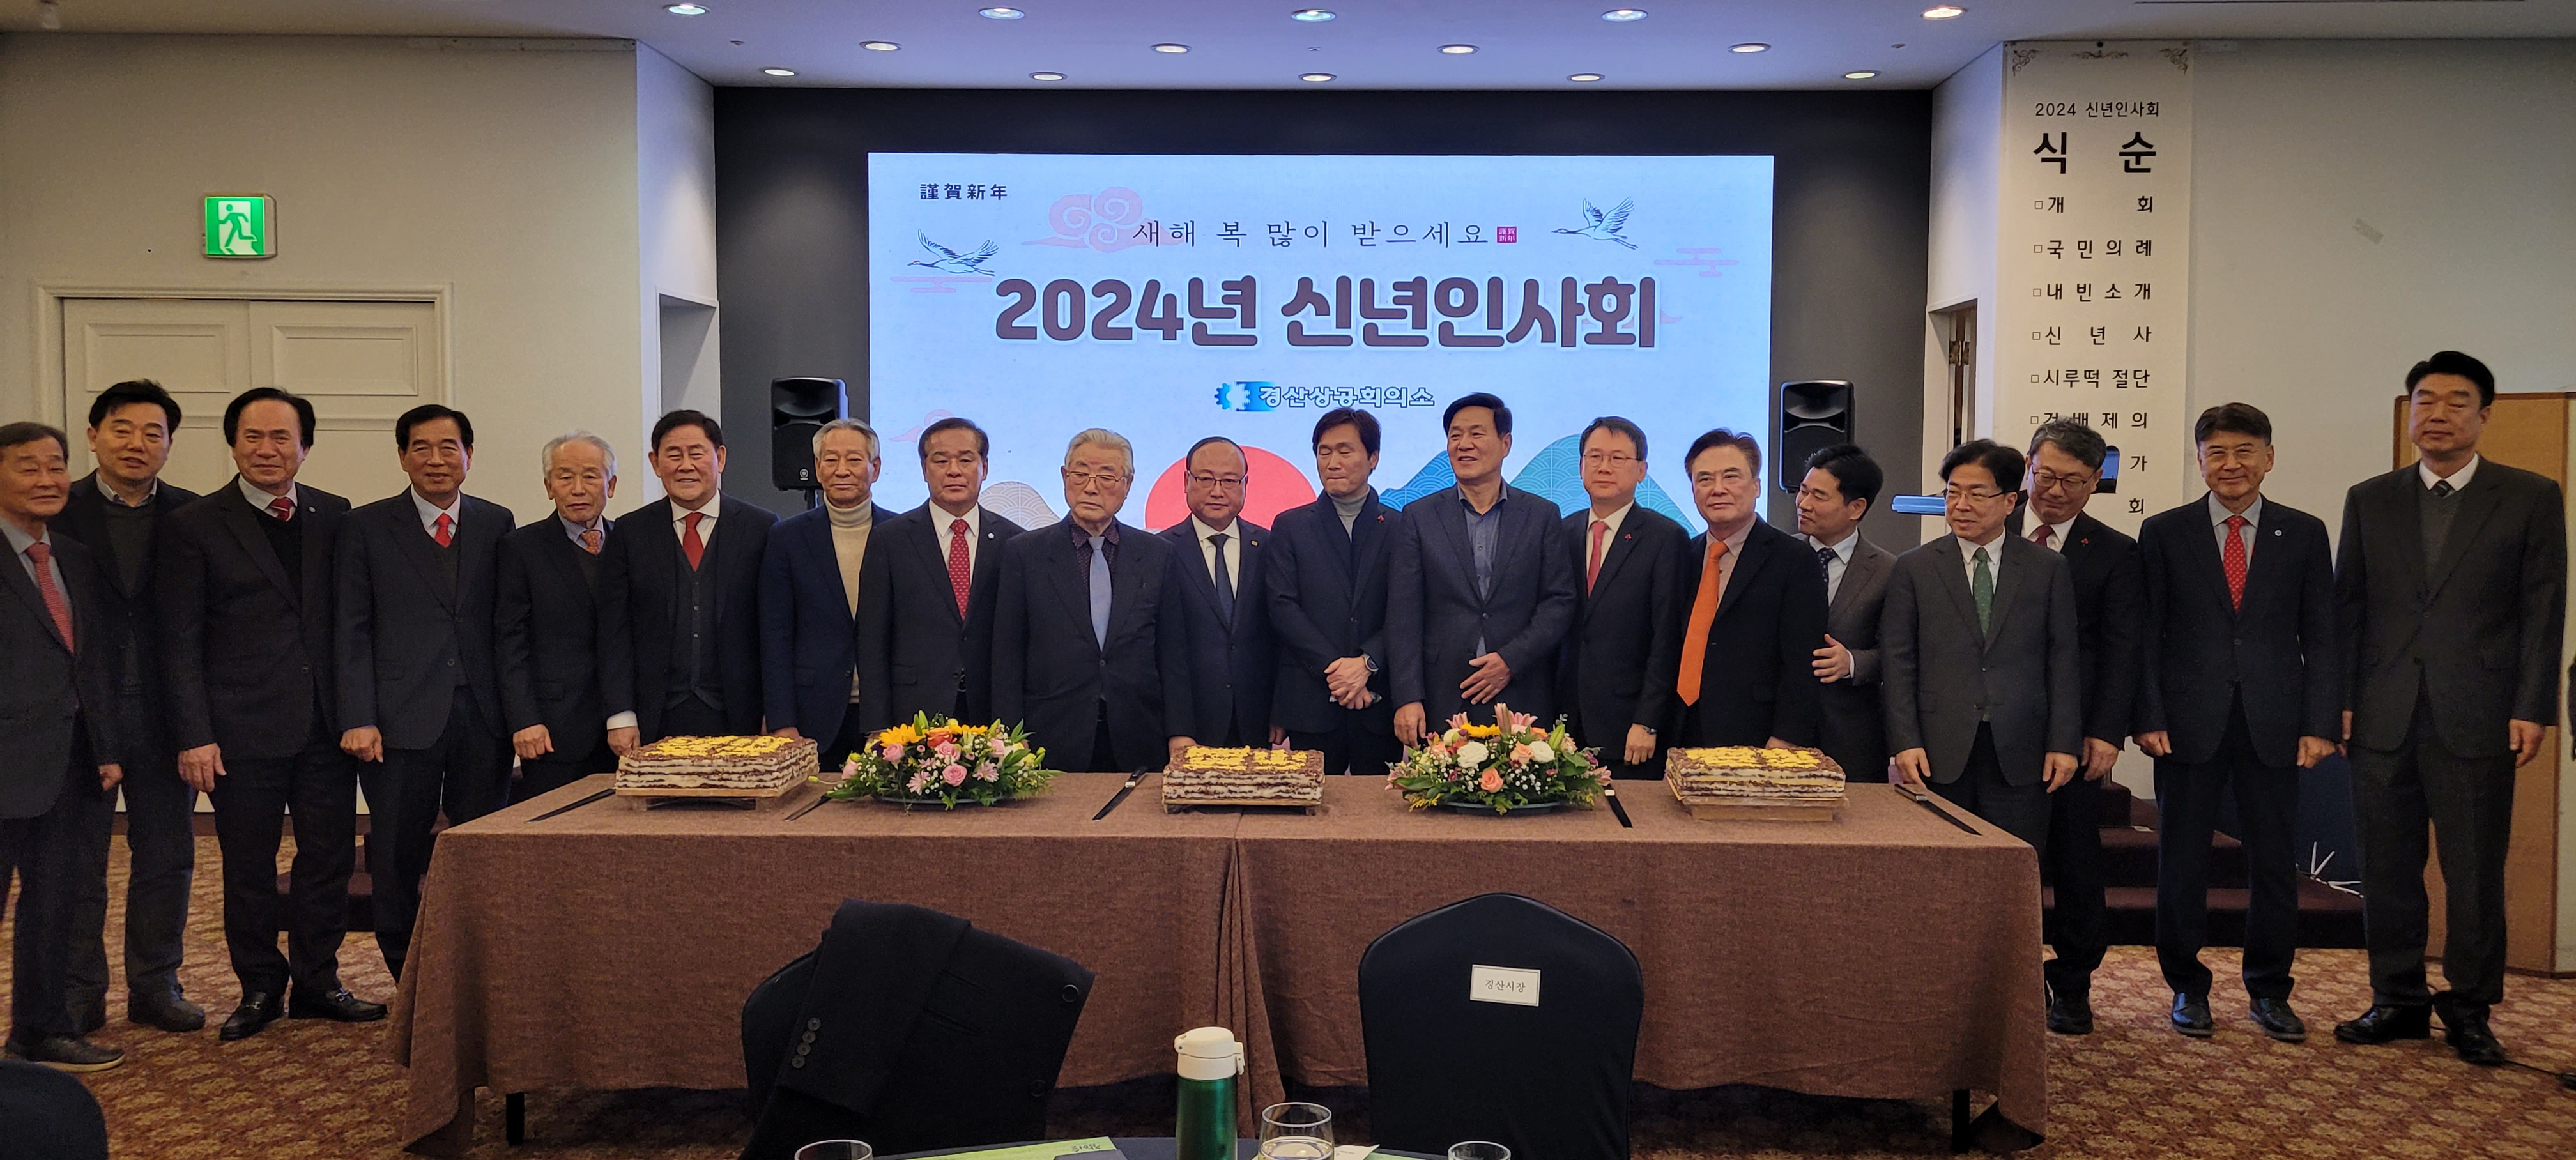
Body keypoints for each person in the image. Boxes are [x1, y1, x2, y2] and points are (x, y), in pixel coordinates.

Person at [2334, 351, 2565, 1067]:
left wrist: (2533, 706)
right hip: (2383, 714)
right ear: (2410, 413)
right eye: (2424, 401)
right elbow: (2349, 609)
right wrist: (2340, 700)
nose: (2437, 414)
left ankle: (2470, 1008)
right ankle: (2397, 998)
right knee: (2387, 869)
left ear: (2484, 415)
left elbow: (2543, 610)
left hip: (2481, 713)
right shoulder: (2370, 498)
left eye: (2456, 402)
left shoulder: (2530, 495)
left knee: (2474, 873)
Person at [159, 388, 383, 1041]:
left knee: (328, 860)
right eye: (253, 436)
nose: (266, 449)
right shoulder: (195, 525)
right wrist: (195, 734)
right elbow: (178, 640)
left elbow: (350, 622)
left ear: (304, 447)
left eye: (281, 437)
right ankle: (259, 986)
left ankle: (319, 981)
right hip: (240, 730)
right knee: (250, 867)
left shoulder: (335, 514)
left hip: (325, 728)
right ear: (232, 444)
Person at [2136, 403, 2339, 1044]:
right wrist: (2148, 715)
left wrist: (2320, 723)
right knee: (2182, 863)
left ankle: (2270, 991)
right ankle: (2187, 987)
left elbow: (2322, 637)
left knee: (2275, 865)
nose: (2232, 464)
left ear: (2269, 458)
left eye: (2245, 451)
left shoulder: (2303, 532)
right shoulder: (2164, 532)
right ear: (2199, 461)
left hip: (2274, 723)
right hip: (2186, 724)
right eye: (2217, 452)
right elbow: (2147, 635)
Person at [335, 405, 514, 983]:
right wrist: (358, 715)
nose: (436, 460)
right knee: (395, 854)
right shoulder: (365, 526)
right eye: (421, 448)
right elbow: (351, 628)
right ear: (402, 456)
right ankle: (406, 978)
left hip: (482, 717)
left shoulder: (497, 522)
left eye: (448, 447)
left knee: (482, 849)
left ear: (469, 455)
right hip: (398, 719)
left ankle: (479, 972)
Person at [54, 381, 204, 1035]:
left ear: (170, 444)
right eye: (122, 429)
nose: (136, 443)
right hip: (79, 715)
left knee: (167, 857)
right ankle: (79, 992)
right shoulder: (57, 510)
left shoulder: (193, 516)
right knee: (78, 862)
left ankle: (156, 984)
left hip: (168, 713)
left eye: (153, 433)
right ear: (93, 436)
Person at [1880, 439, 2082, 851]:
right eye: (1952, 493)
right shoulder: (1915, 567)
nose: (1961, 505)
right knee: (1939, 865)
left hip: (2021, 746)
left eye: (1976, 494)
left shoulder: (2047, 567)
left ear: (2009, 501)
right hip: (1937, 746)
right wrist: (1904, 741)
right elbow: (1898, 662)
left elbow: (2062, 660)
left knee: (2013, 864)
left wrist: (2063, 743)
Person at [0, 422, 126, 1071]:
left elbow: (90, 663)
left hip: (67, 763)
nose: (48, 480)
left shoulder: (72, 556)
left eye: (56, 467)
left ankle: (39, 1031)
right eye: (29, 467)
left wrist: (105, 747)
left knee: (54, 904)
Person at [2011, 419, 2142, 1037]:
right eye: (2046, 475)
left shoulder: (2115, 552)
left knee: (2076, 861)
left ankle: (2072, 982)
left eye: (2073, 480)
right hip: (1996, 728)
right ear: (2028, 467)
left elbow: (2121, 649)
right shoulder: (1989, 529)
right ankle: (2004, 978)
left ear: (2095, 483)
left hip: (2075, 734)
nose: (2055, 491)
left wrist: (2107, 732)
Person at [990, 429, 1193, 772]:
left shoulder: (1157, 554)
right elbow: (1007, 653)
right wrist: (1010, 732)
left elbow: (1173, 653)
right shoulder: (1025, 553)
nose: (1091, 487)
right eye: (1080, 474)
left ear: (1127, 485)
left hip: (1139, 732)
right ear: (1064, 477)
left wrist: (1181, 732)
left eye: (1106, 476)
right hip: (1050, 733)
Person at [1388, 393, 1577, 742]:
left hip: (1521, 689)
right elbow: (1403, 614)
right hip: (1443, 693)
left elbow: (1559, 601)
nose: (1464, 445)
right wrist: (1408, 696)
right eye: (1455, 435)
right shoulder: (1419, 517)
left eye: (1476, 434)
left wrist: (1510, 660)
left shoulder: (1542, 515)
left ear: (1506, 444)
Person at [598, 409, 778, 748]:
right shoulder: (630, 532)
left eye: (696, 453)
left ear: (720, 458)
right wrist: (620, 716)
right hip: (654, 718)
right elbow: (614, 632)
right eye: (673, 455)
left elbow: (775, 631)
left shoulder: (761, 528)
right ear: (655, 463)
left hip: (743, 716)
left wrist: (777, 712)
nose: (686, 466)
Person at [1662, 428, 1827, 750]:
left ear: (1756, 486)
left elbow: (1802, 661)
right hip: (1681, 728)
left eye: (1731, 476)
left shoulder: (1793, 559)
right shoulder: (1683, 555)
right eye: (1705, 479)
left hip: (1756, 732)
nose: (1718, 489)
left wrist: (1787, 735)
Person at [856, 418, 1024, 731]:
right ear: (924, 469)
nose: (954, 471)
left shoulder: (1014, 542)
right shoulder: (890, 540)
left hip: (991, 711)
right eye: (941, 461)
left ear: (985, 468)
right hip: (913, 713)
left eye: (966, 460)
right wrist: (877, 728)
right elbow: (871, 641)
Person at [1264, 408, 1402, 775]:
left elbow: (1406, 610)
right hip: (1311, 701)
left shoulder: (1400, 527)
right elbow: (1282, 607)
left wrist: (1367, 663)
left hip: (1378, 701)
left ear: (1373, 458)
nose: (1332, 462)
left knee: (1380, 805)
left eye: (1345, 451)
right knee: (1310, 805)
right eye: (1324, 452)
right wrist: (1339, 672)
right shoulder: (1291, 526)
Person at [1558, 417, 1686, 777]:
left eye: (1618, 458)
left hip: (1628, 724)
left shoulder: (1665, 537)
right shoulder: (1563, 531)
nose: (1604, 467)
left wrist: (1648, 721)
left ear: (1641, 471)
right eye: (1595, 457)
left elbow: (1667, 637)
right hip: (1564, 722)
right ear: (1581, 466)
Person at [760, 420, 893, 765]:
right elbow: (775, 634)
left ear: (875, 468)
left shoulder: (903, 534)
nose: (842, 470)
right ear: (818, 468)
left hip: (889, 717)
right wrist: (782, 721)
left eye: (854, 459)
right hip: (812, 715)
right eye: (831, 460)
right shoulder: (786, 538)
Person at [497, 431, 620, 802]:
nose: (578, 488)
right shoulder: (521, 548)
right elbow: (510, 642)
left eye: (591, 476)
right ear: (549, 487)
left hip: (626, 729)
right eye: (565, 477)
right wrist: (524, 719)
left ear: (611, 485)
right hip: (554, 728)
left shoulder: (630, 542)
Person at [1160, 438, 1278, 749]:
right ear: (1186, 481)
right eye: (1205, 479)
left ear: (1245, 485)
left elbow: (1281, 636)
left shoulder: (1270, 547)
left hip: (1257, 719)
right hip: (1190, 723)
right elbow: (1162, 650)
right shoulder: (1160, 551)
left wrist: (1281, 711)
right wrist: (1178, 727)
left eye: (1229, 481)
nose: (1217, 491)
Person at [1796, 444, 1897, 782]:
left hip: (1852, 735)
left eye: (1819, 496)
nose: (1804, 504)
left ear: (1856, 508)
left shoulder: (1889, 571)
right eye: (1803, 491)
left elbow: (1899, 653)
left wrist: (1852, 662)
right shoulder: (1778, 556)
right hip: (1779, 731)